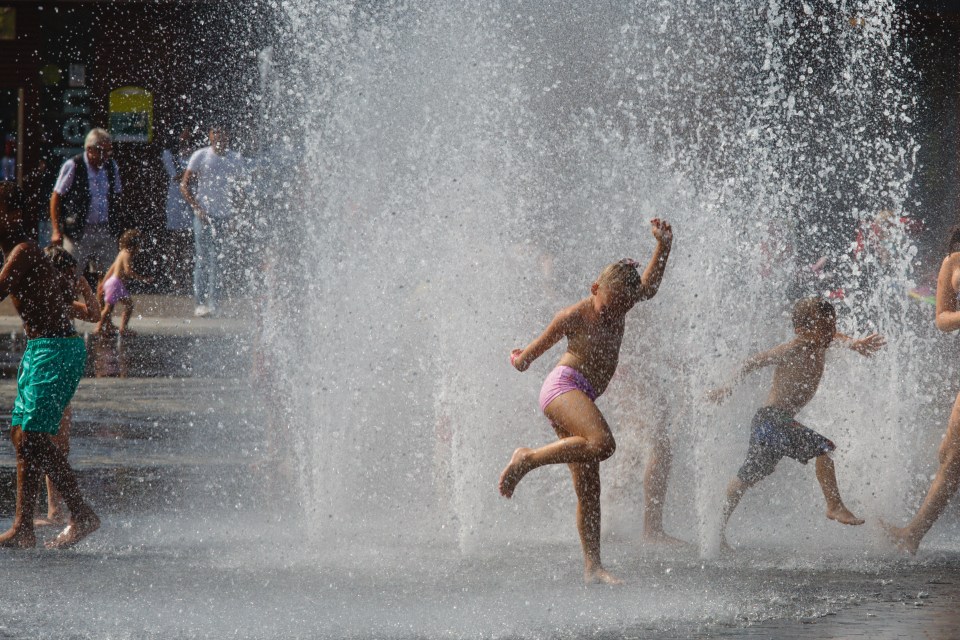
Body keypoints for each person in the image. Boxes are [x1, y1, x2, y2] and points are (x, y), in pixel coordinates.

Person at [498, 218, 673, 585]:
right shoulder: (574, 315)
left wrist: (664, 245)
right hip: (563, 387)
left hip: (581, 395)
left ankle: (592, 567)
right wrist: (520, 358)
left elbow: (651, 286)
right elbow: (532, 354)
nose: (615, 313)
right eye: (609, 305)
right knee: (603, 444)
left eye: (624, 307)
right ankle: (526, 459)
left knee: (589, 490)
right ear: (595, 288)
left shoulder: (623, 301)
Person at [707, 298, 885, 550]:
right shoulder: (793, 348)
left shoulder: (822, 341)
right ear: (802, 330)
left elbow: (838, 338)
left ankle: (716, 529)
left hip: (772, 423)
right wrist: (726, 388)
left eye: (832, 326)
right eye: (824, 327)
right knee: (824, 448)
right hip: (771, 419)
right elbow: (752, 362)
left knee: (748, 477)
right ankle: (834, 505)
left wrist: (854, 344)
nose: (830, 333)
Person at [0, 183, 100, 549]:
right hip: (39, 349)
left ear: (10, 216)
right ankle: (23, 527)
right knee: (20, 436)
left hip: (57, 350)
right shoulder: (21, 253)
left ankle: (81, 513)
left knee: (34, 437)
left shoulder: (24, 251)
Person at [884, 227, 960, 553]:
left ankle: (912, 534)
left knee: (953, 454)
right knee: (949, 453)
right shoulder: (952, 261)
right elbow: (942, 318)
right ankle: (912, 534)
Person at [37, 246, 100, 526]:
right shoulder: (45, 299)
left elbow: (95, 314)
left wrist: (86, 285)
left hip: (59, 374)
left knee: (57, 444)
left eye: (74, 276)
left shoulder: (64, 303)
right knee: (51, 443)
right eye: (69, 275)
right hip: (48, 370)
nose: (72, 281)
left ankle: (55, 511)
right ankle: (55, 510)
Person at [180, 124, 247, 317]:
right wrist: (196, 207)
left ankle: (214, 304)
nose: (219, 136)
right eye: (215, 132)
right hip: (204, 215)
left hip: (224, 215)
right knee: (202, 258)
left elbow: (241, 190)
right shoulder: (200, 155)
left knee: (218, 260)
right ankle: (200, 304)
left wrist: (236, 215)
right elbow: (184, 185)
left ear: (228, 136)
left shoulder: (235, 158)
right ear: (209, 135)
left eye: (222, 132)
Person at [48, 128, 123, 281]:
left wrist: (117, 225)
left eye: (109, 151)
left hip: (105, 229)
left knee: (110, 279)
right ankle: (69, 304)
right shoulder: (73, 165)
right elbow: (56, 197)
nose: (106, 156)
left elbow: (117, 196)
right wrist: (56, 230)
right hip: (78, 230)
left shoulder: (111, 166)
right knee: (70, 276)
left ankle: (102, 306)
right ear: (90, 149)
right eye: (103, 151)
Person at [95, 229, 153, 336]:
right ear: (134, 244)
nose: (140, 247)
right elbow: (127, 270)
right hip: (116, 284)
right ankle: (100, 327)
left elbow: (111, 269)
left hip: (113, 283)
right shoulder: (127, 254)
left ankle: (114, 327)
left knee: (124, 306)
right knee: (112, 307)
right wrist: (142, 278)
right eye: (139, 244)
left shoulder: (121, 253)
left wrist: (103, 283)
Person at [161, 128, 195, 292]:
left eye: (188, 134)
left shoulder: (195, 153)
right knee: (175, 242)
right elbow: (175, 176)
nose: (185, 137)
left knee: (188, 242)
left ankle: (188, 277)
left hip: (190, 201)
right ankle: (174, 279)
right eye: (182, 133)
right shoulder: (169, 154)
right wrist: (191, 173)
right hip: (175, 201)